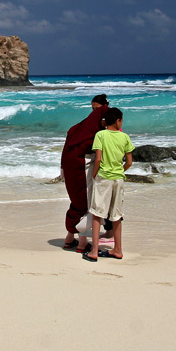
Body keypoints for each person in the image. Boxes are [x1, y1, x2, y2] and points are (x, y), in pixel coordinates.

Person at [83, 108, 134, 262]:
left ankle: (94, 250)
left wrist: (94, 174)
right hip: (118, 179)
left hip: (103, 177)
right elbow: (130, 162)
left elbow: (98, 159)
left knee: (98, 214)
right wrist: (121, 171)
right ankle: (118, 249)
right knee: (116, 216)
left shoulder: (101, 135)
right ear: (118, 121)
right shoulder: (124, 137)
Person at [60, 94, 109, 249]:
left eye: (97, 109)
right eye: (93, 109)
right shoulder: (97, 129)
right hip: (81, 165)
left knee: (77, 201)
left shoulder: (80, 127)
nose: (95, 111)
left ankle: (69, 237)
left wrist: (62, 168)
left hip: (69, 165)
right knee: (87, 203)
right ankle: (82, 242)